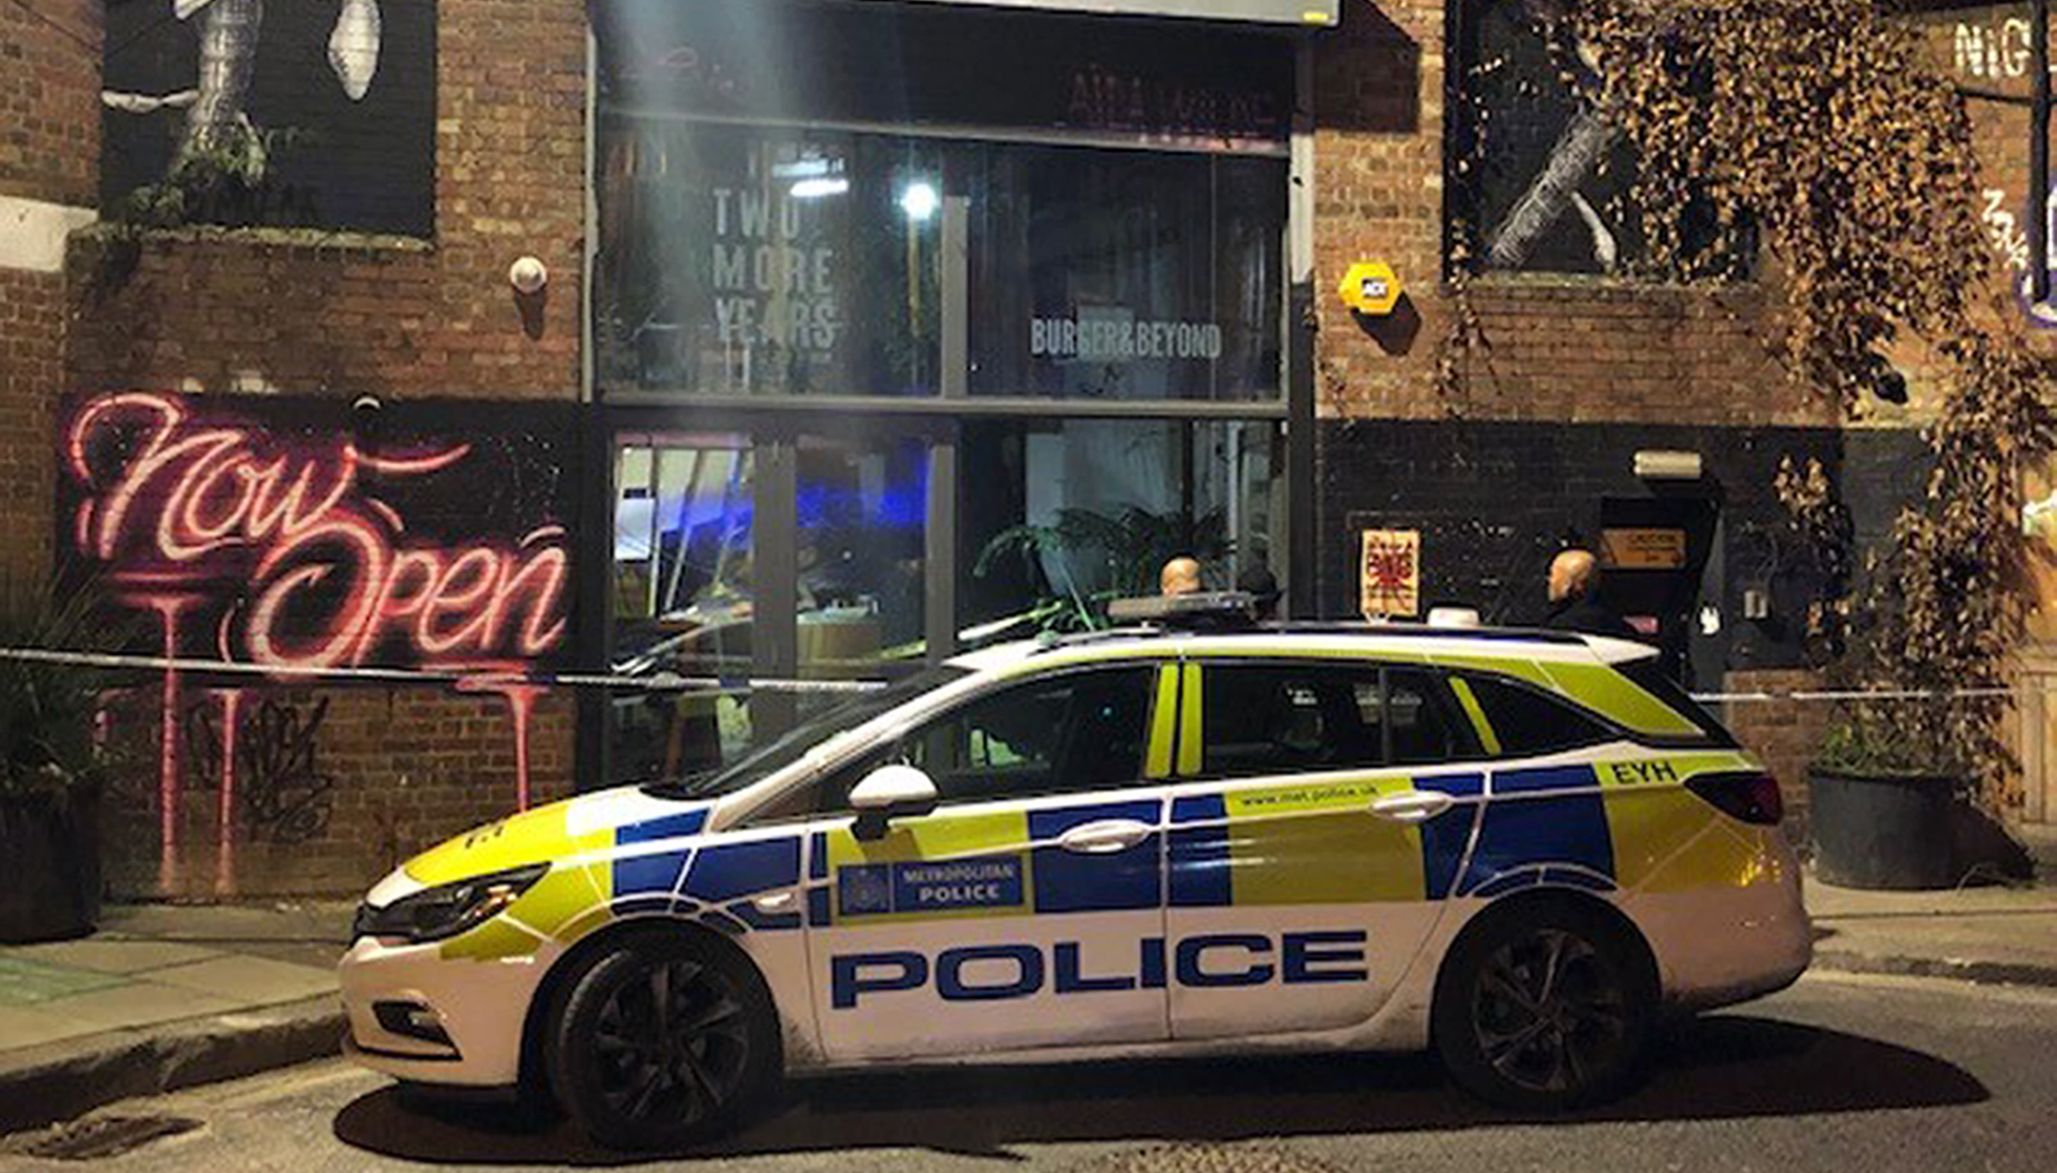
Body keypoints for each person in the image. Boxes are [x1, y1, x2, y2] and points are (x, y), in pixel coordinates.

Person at [1544, 548, 1639, 639]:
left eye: (1552, 574)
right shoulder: (1622, 628)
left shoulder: (1561, 629)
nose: (1549, 581)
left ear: (1569, 583)